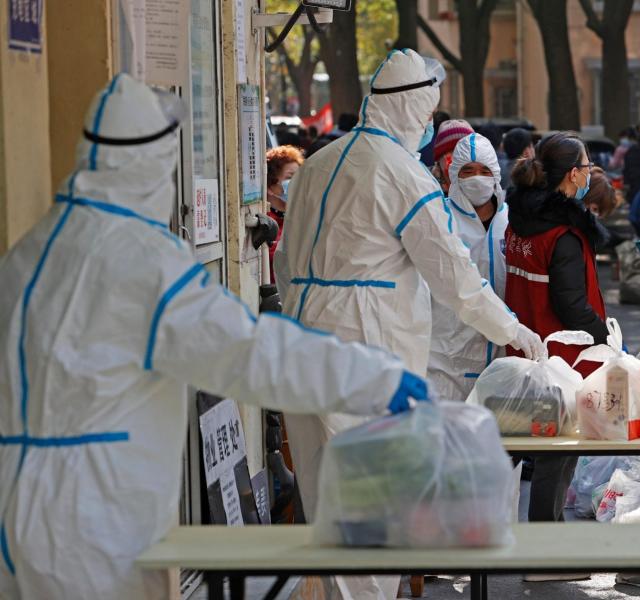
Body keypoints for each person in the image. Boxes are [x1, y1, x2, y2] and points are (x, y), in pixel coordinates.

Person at [0, 74, 428, 600]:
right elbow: (251, 354)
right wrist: (374, 379)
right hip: (97, 521)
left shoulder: (29, 251)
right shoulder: (142, 260)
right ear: (155, 163)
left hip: (12, 513)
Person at [274, 50, 544, 600]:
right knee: (374, 508)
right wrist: (511, 329)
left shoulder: (319, 163)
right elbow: (455, 278)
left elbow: (282, 262)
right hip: (366, 353)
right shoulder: (401, 174)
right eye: (428, 111)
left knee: (325, 508)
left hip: (301, 347)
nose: (428, 125)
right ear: (416, 106)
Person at [504, 132, 609, 542]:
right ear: (570, 175)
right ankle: (546, 548)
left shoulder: (520, 221)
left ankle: (475, 523)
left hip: (524, 351)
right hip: (561, 357)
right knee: (556, 450)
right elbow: (572, 306)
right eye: (584, 166)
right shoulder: (562, 235)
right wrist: (607, 338)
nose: (588, 173)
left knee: (518, 445)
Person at [428, 133, 510, 401]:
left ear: (496, 174)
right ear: (455, 175)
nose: (477, 177)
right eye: (468, 171)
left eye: (485, 170)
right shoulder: (441, 219)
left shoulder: (510, 222)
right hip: (448, 354)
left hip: (502, 351)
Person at [265, 145, 303, 283]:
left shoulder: (304, 217)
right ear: (270, 186)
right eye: (290, 177)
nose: (298, 182)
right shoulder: (263, 222)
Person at [430, 118, 474, 193]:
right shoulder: (428, 187)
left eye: (466, 150)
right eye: (453, 151)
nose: (460, 156)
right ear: (439, 160)